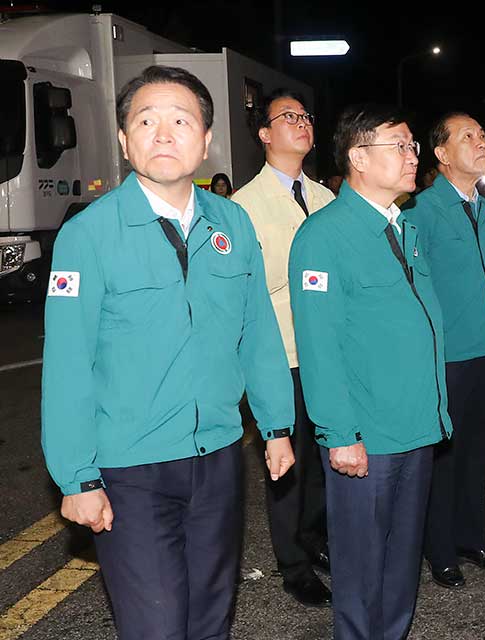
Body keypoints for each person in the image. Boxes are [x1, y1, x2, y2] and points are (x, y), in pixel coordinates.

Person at [41, 65, 295, 640]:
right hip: (131, 467)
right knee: (155, 624)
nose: (162, 133)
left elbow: (257, 332)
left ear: (206, 141)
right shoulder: (89, 234)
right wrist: (77, 478)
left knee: (210, 617)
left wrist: (276, 424)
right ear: (124, 140)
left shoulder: (232, 222)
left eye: (181, 121)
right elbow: (68, 365)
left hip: (219, 457)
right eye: (145, 121)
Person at [289, 104, 452, 640]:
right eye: (399, 146)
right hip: (366, 435)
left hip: (416, 425)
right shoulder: (324, 235)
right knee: (361, 566)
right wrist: (340, 434)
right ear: (358, 158)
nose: (413, 156)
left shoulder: (403, 227)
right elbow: (319, 346)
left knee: (402, 559)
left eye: (412, 146)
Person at [406, 112, 485, 589]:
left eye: (483, 134)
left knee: (480, 450)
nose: (481, 142)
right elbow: (412, 286)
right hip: (448, 356)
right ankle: (440, 549)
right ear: (441, 153)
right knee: (444, 456)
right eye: (468, 136)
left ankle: (473, 538)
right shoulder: (421, 211)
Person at [231, 89, 335, 607]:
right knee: (285, 461)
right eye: (288, 116)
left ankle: (314, 536)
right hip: (278, 354)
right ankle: (292, 563)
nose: (301, 122)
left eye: (306, 115)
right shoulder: (242, 206)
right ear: (264, 133)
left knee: (322, 454)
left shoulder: (326, 198)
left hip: (324, 351)